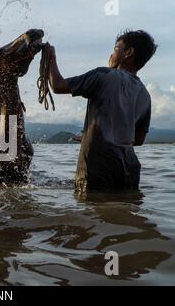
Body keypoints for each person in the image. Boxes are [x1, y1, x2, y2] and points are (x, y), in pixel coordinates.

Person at [47, 30, 157, 192]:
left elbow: (57, 85)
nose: (111, 54)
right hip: (129, 169)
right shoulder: (145, 95)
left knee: (92, 214)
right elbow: (138, 139)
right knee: (122, 214)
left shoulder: (103, 75)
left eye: (115, 48)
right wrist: (92, 135)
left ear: (128, 52)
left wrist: (50, 56)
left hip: (98, 167)